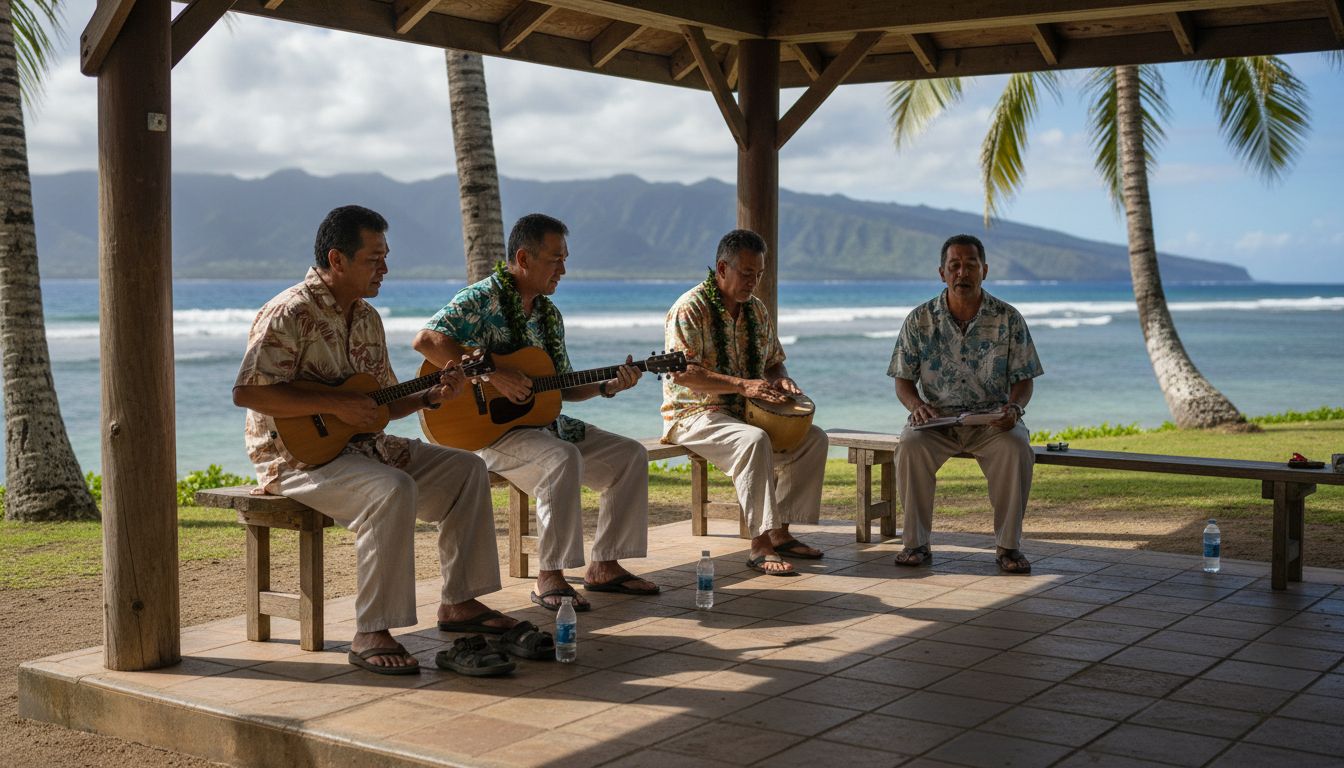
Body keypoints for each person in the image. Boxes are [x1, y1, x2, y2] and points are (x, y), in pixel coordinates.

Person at [233, 205, 543, 677]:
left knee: (466, 469)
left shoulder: (367, 318)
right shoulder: (288, 312)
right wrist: (336, 405)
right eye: (374, 259)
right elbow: (248, 392)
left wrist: (431, 396)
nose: (384, 268)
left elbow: (381, 404)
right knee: (390, 490)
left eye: (385, 257)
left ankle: (460, 602)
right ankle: (371, 632)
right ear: (337, 259)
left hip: (364, 448)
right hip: (296, 460)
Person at [412, 213, 658, 611]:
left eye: (565, 259)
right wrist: (494, 374)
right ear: (524, 258)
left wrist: (607, 386)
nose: (563, 269)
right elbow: (427, 340)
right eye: (555, 259)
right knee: (562, 458)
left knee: (629, 455)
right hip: (489, 433)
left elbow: (561, 386)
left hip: (545, 425)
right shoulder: (483, 298)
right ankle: (550, 576)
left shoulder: (549, 315)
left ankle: (605, 565)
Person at [661, 229, 828, 576]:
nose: (754, 282)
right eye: (747, 273)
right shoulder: (690, 308)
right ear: (722, 268)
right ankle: (760, 544)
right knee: (753, 441)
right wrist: (741, 385)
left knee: (813, 437)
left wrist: (780, 379)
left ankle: (781, 532)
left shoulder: (757, 310)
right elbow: (684, 373)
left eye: (759, 274)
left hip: (745, 412)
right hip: (694, 413)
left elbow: (773, 362)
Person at [888, 234, 1044, 573]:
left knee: (1016, 446)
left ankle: (1009, 547)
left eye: (971, 265)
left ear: (984, 270)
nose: (962, 273)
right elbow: (902, 380)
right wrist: (916, 406)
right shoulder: (919, 319)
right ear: (941, 273)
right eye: (954, 265)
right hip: (937, 423)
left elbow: (1024, 379)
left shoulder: (1008, 318)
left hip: (993, 422)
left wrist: (1014, 409)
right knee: (910, 444)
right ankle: (916, 543)